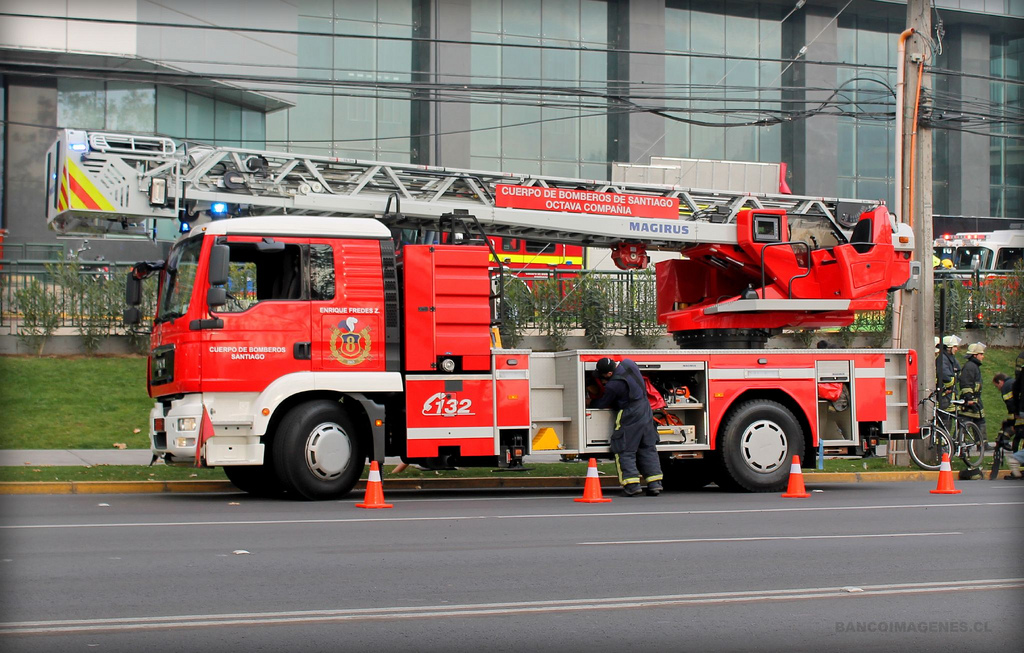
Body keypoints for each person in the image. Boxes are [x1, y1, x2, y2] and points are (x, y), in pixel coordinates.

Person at [590, 357, 664, 496]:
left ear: (609, 374)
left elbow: (603, 403)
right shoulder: (629, 363)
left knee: (624, 449)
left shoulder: (613, 385)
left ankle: (631, 485)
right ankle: (655, 484)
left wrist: (591, 402)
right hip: (646, 410)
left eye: (603, 376)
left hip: (630, 413)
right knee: (647, 448)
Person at [992, 373, 1023, 479]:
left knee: (1019, 438)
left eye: (997, 386)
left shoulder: (1006, 387)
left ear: (1000, 382)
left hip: (1019, 416)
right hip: (1020, 415)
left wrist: (1010, 422)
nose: (998, 389)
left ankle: (1017, 461)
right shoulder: (1012, 383)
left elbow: (1011, 405)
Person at [957, 343, 987, 452]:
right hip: (970, 400)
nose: (982, 356)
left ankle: (982, 444)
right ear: (975, 355)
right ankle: (961, 445)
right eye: (981, 354)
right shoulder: (970, 367)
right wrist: (969, 398)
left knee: (980, 421)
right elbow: (966, 383)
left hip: (975, 399)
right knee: (965, 423)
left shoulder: (974, 366)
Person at [936, 335, 961, 409]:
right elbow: (945, 376)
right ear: (948, 348)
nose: (956, 349)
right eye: (955, 346)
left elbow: (958, 370)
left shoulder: (950, 358)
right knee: (945, 419)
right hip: (945, 397)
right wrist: (948, 387)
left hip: (949, 397)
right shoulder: (943, 359)